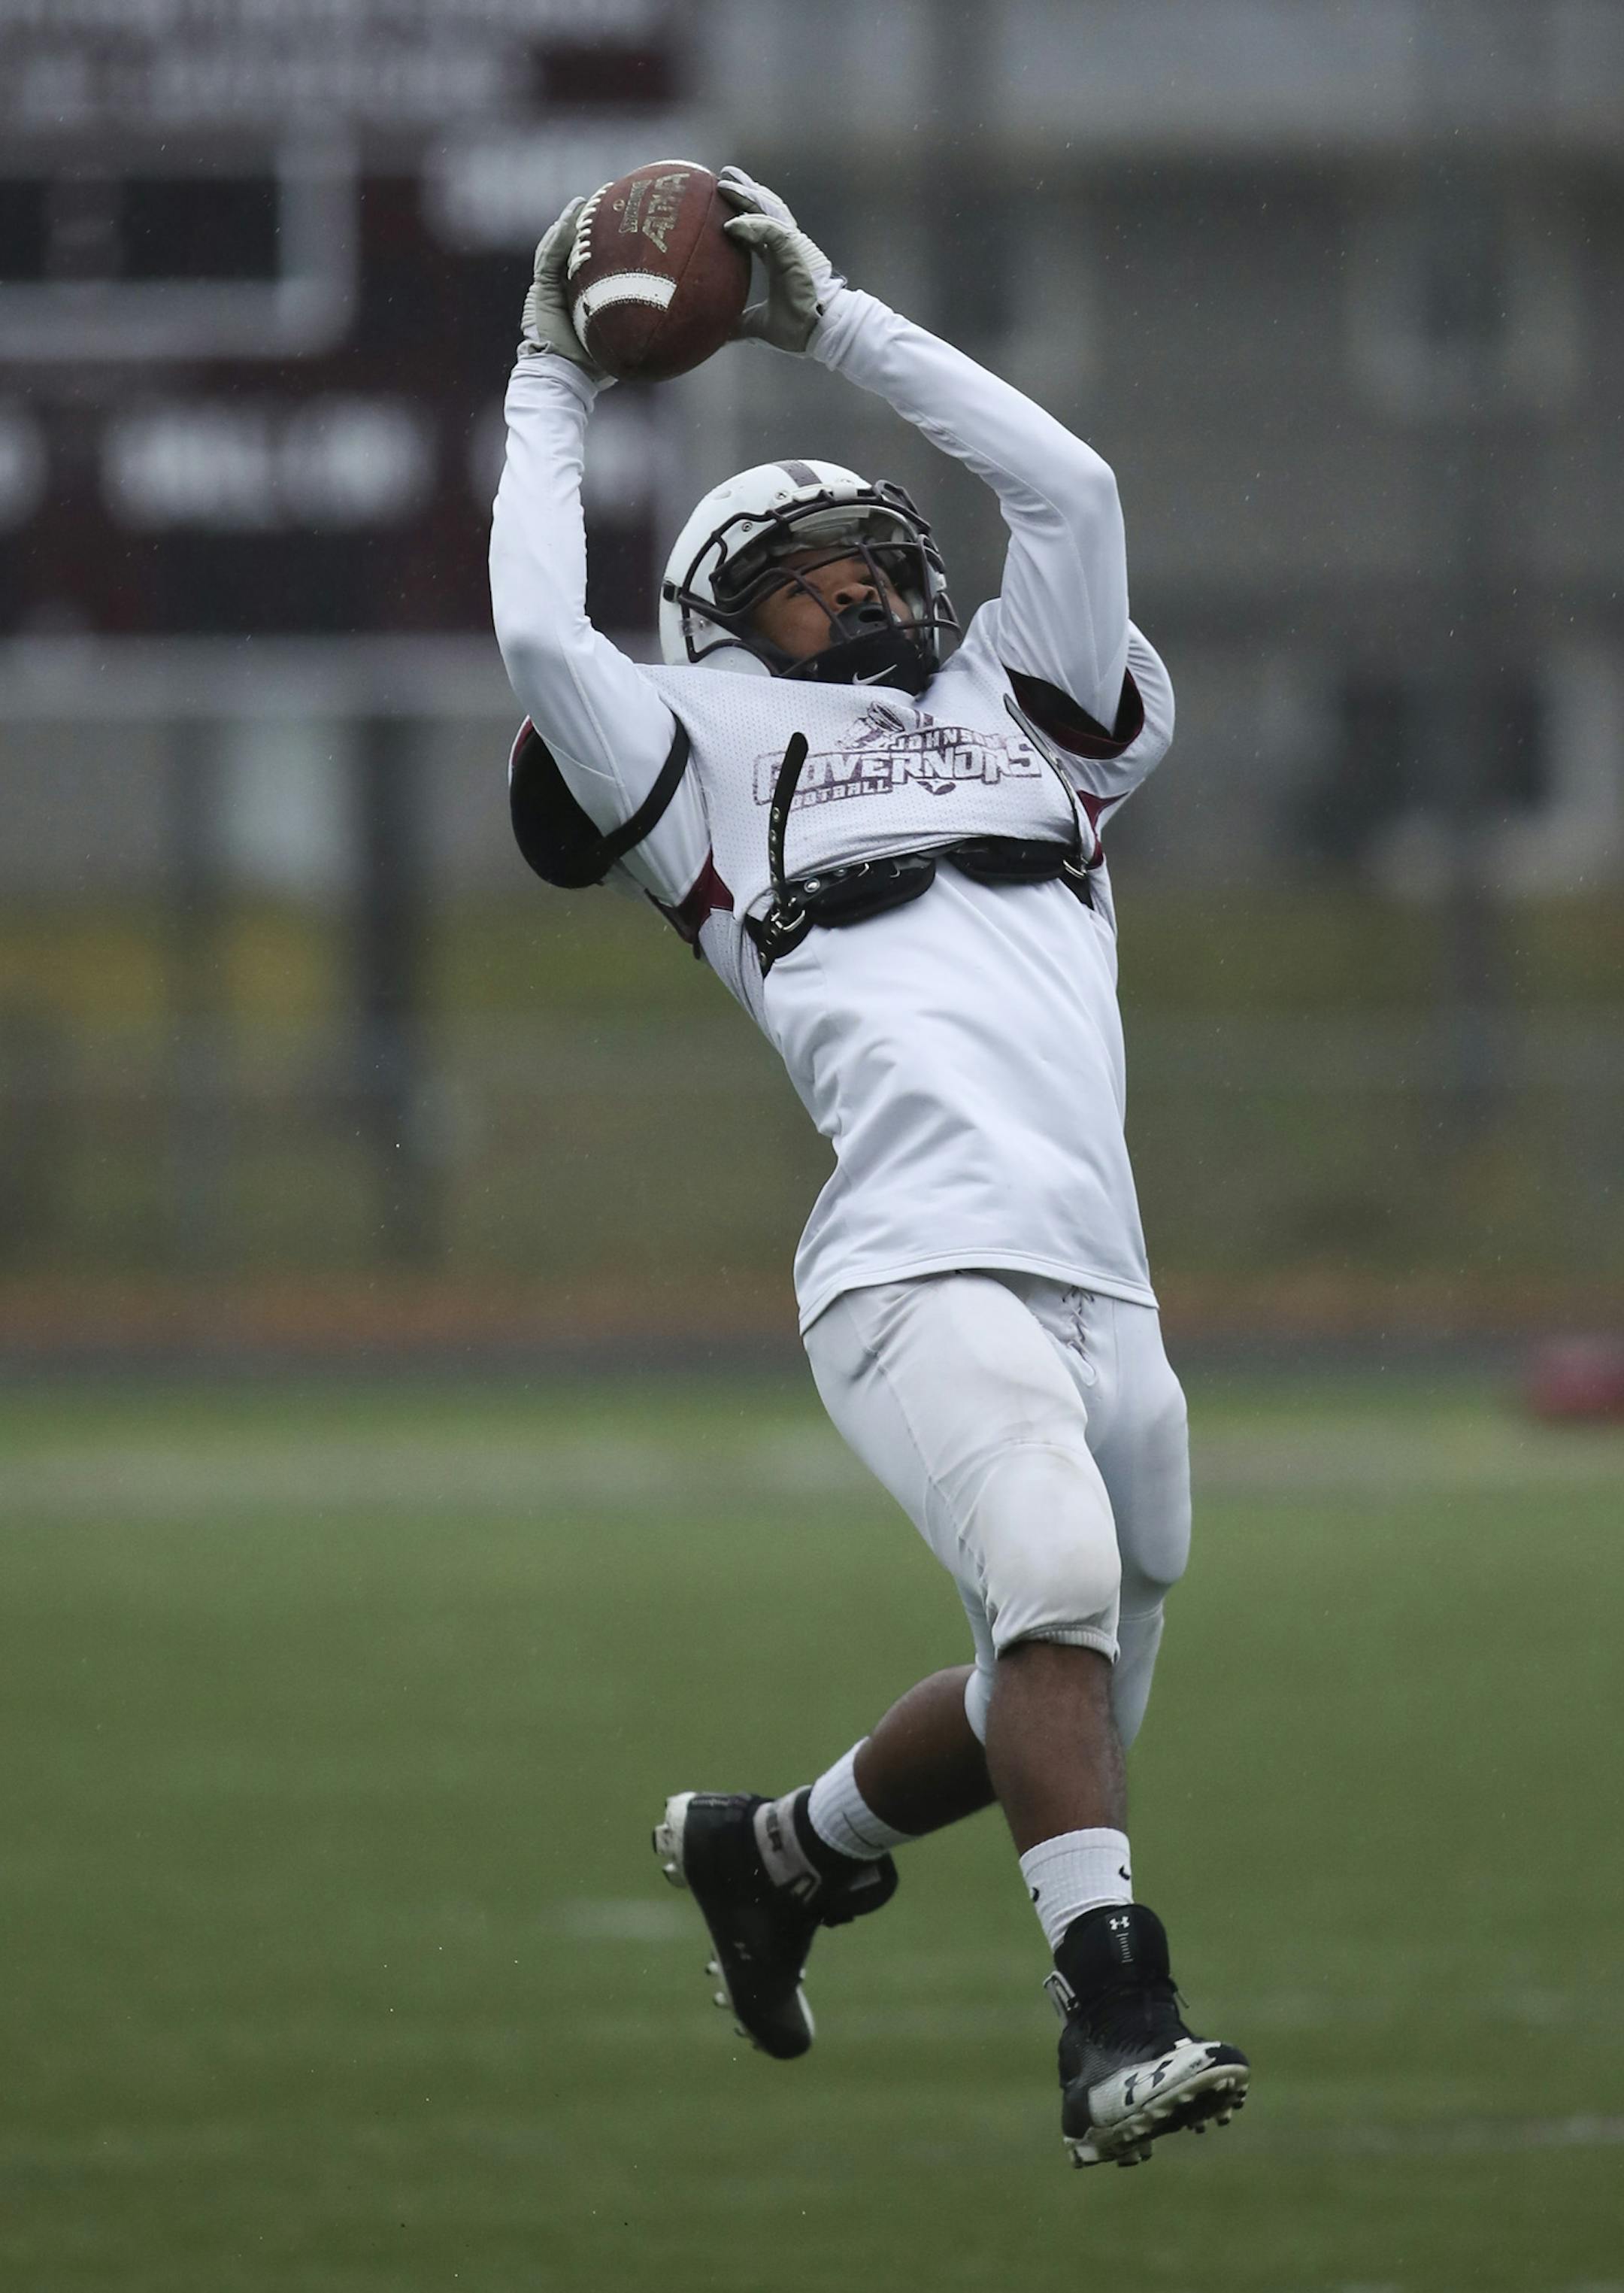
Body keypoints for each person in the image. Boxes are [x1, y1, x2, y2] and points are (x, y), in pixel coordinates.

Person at [489, 166, 1249, 2170]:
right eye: (818, 565)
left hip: (1103, 1275)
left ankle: (779, 1847)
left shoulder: (1026, 712)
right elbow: (526, 618)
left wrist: (832, 320)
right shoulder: (705, 757)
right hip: (913, 1260)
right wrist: (550, 374)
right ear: (730, 619)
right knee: (1063, 1588)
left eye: (880, 550)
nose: (876, 583)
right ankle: (1116, 2016)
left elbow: (1069, 489)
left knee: (1051, 1684)